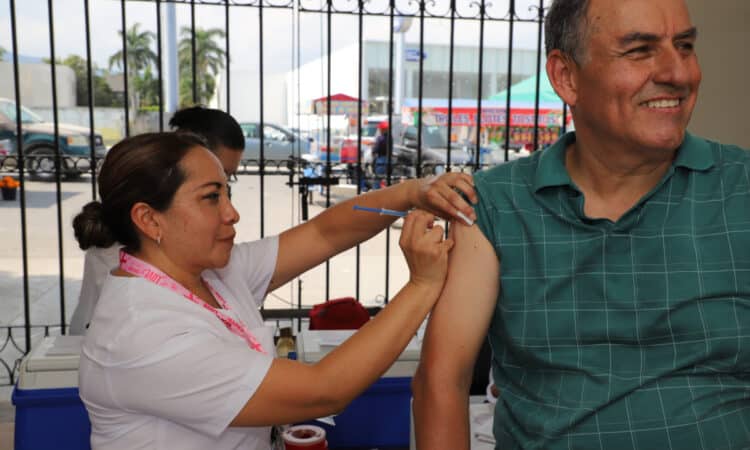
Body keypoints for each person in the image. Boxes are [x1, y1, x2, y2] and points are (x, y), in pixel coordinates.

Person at [412, 0, 750, 448]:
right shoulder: (495, 205)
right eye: (639, 50)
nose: (679, 73)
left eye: (685, 46)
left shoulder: (741, 188)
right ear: (566, 77)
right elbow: (441, 382)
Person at [72, 131, 477, 449]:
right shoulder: (142, 334)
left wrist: (412, 193)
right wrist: (423, 285)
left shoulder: (209, 273)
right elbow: (324, 390)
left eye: (227, 191)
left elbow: (323, 233)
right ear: (148, 218)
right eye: (211, 197)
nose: (232, 212)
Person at [69, 106, 246, 334]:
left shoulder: (193, 263)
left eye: (228, 179)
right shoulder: (141, 303)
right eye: (212, 191)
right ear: (149, 219)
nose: (232, 213)